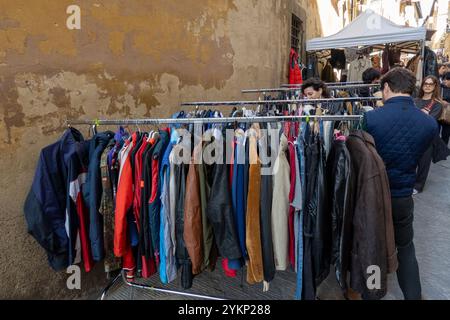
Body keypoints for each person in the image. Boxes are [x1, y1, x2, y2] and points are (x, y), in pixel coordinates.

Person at [363, 68, 438, 300]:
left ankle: (372, 294)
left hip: (375, 197)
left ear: (386, 87)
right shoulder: (428, 124)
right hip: (403, 196)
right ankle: (413, 296)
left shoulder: (371, 118)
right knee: (405, 249)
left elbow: (363, 155)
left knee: (373, 249)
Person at [413, 76, 444, 194]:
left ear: (435, 86)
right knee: (411, 161)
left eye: (430, 84)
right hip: (413, 135)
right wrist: (422, 114)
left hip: (427, 137)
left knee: (423, 163)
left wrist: (418, 115)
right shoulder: (415, 100)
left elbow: (430, 120)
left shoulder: (437, 104)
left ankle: (418, 186)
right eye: (425, 83)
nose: (427, 86)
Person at [440, 72, 450, 145]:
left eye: (448, 79)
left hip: (448, 115)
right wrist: (441, 101)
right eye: (445, 79)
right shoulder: (441, 88)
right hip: (440, 113)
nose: (446, 81)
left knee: (446, 134)